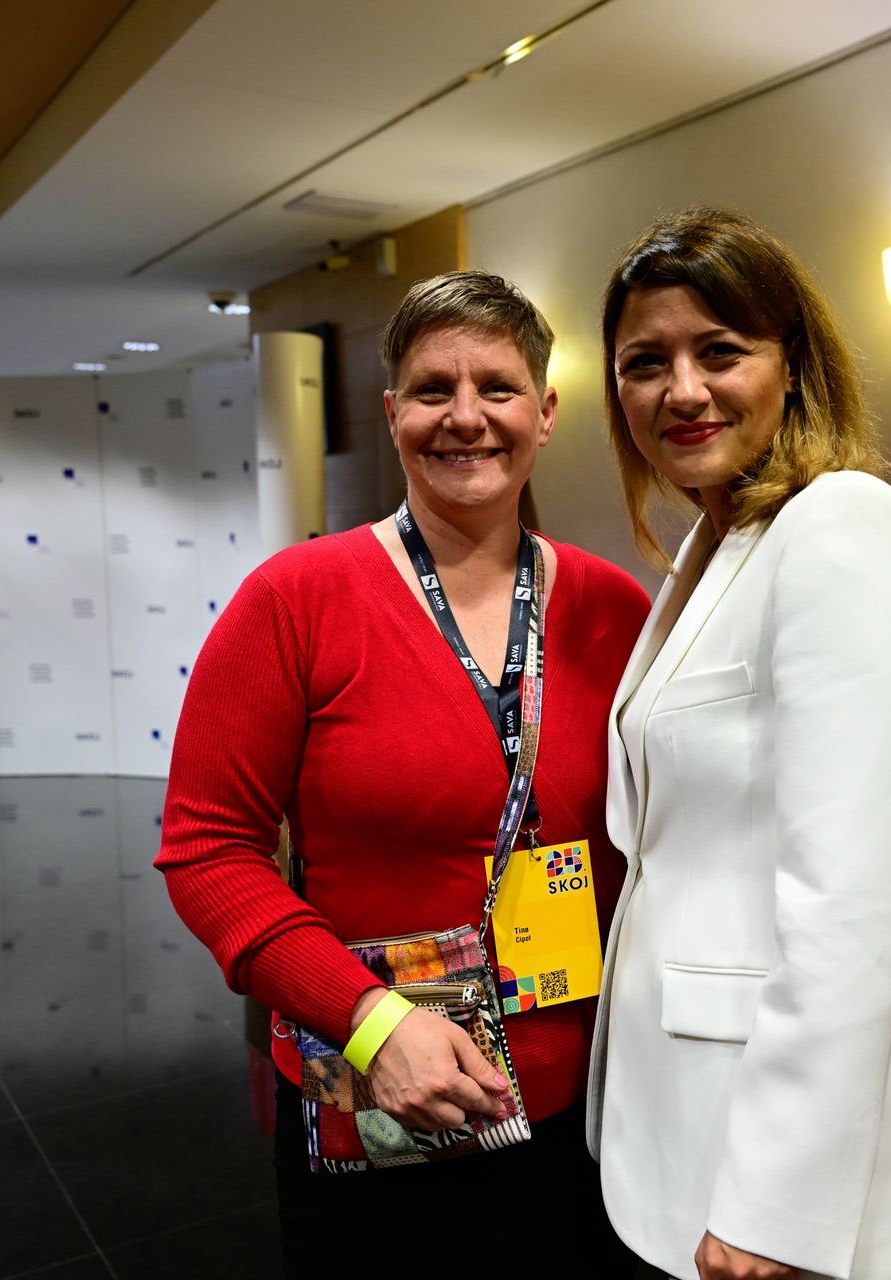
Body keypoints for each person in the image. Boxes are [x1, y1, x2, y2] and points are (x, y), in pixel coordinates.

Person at [156, 271, 649, 1273]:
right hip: (384, 1110)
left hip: (595, 1111)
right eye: (433, 390)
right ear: (392, 416)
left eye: (498, 387)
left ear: (546, 412)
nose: (466, 416)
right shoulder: (295, 600)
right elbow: (207, 850)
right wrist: (370, 1021)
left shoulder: (614, 608)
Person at [591, 207, 891, 1280]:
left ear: (792, 366)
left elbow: (855, 900)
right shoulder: (719, 544)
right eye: (645, 362)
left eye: (720, 352)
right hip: (678, 1113)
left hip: (771, 1167)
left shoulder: (844, 525)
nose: (682, 390)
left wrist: (777, 1205)